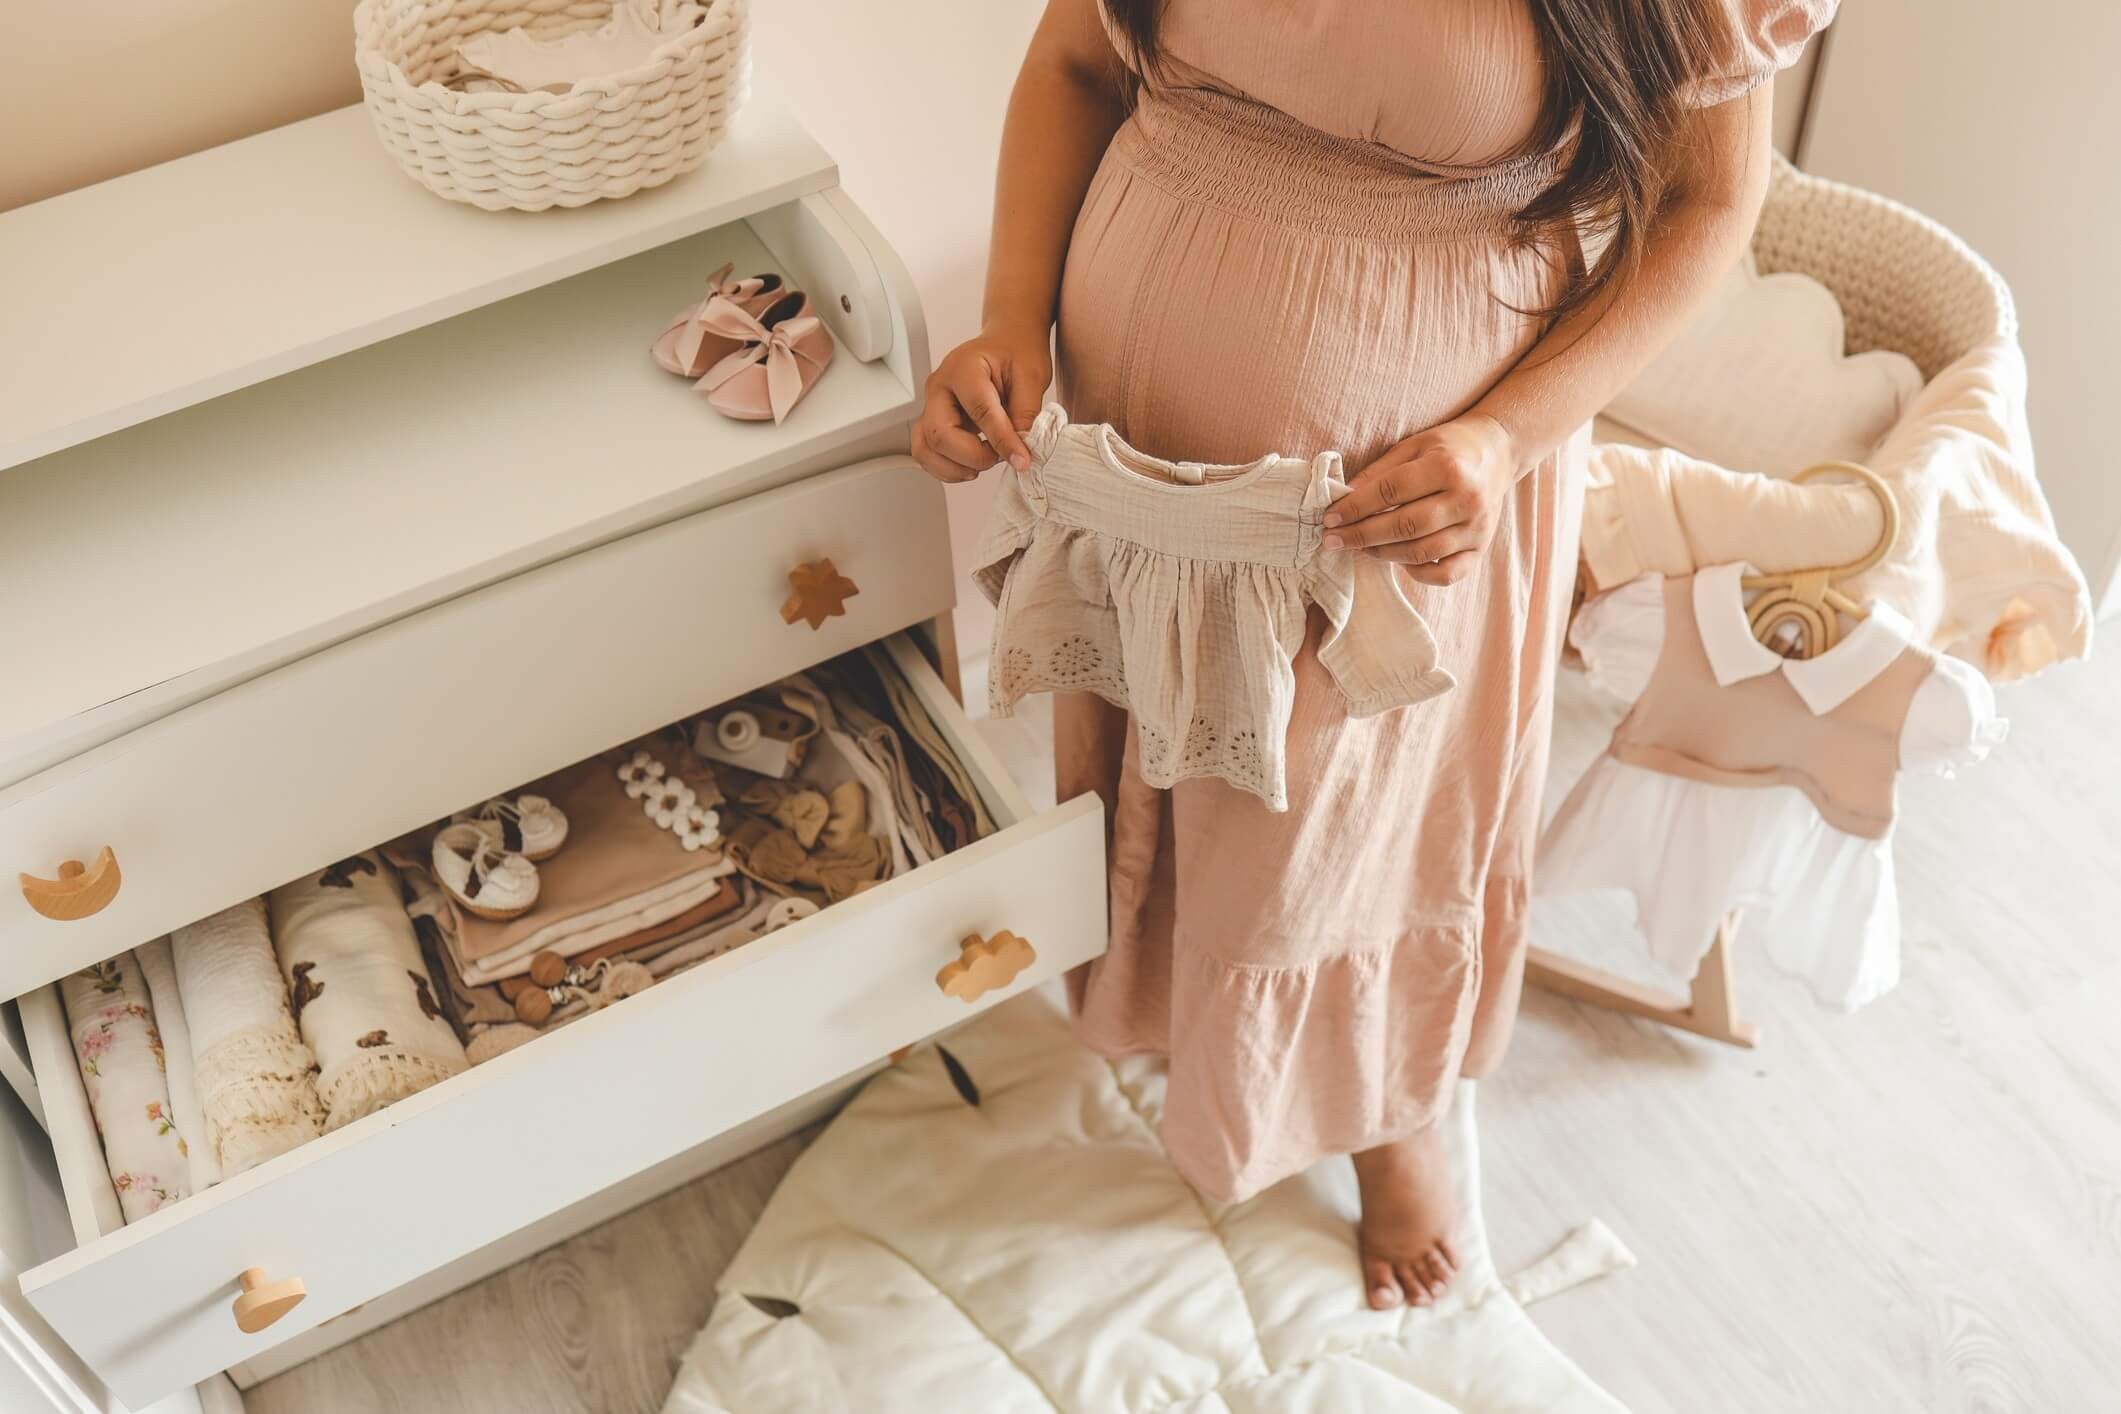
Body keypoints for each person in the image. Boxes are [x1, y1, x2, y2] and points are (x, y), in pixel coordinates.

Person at [911, 0, 1834, 1312]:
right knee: (1166, 776)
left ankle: (1387, 1124)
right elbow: (1074, 58)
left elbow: (1703, 207)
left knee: (1345, 831)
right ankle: (1197, 1030)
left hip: (1409, 489)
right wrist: (1009, 320)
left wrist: (1505, 442)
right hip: (1131, 449)